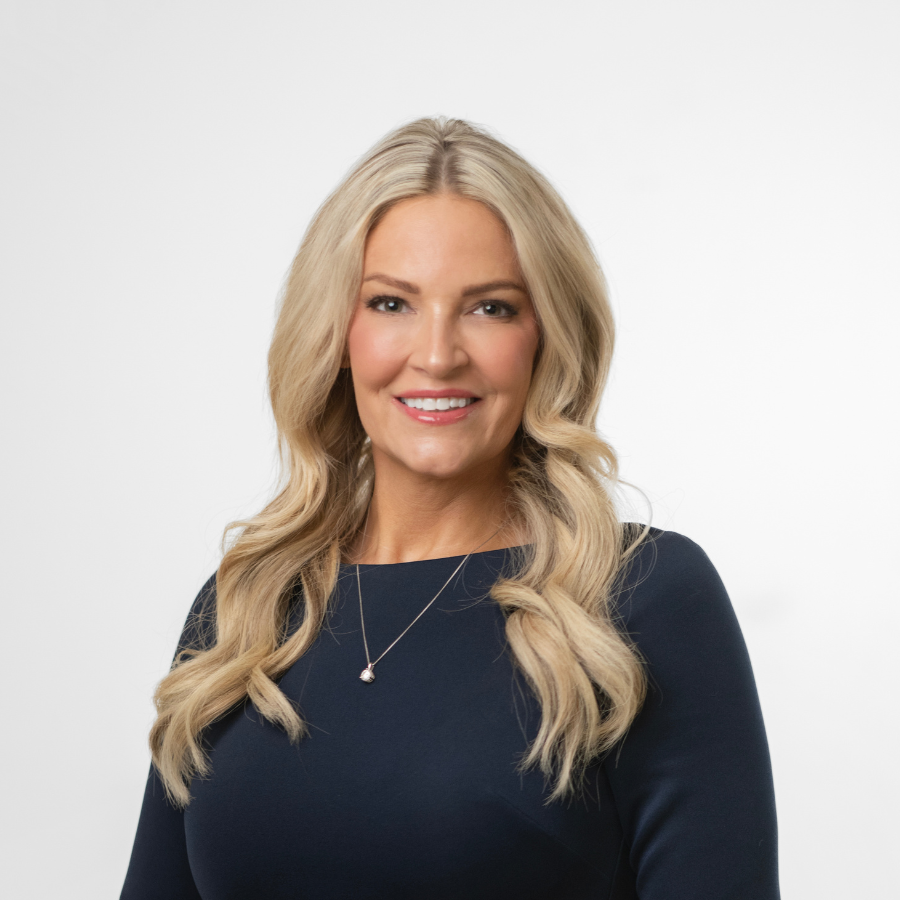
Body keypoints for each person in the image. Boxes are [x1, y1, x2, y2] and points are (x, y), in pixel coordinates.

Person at [120, 117, 780, 899]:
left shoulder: (642, 598)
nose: (436, 354)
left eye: (490, 308)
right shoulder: (247, 609)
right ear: (338, 333)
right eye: (392, 303)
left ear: (547, 337)